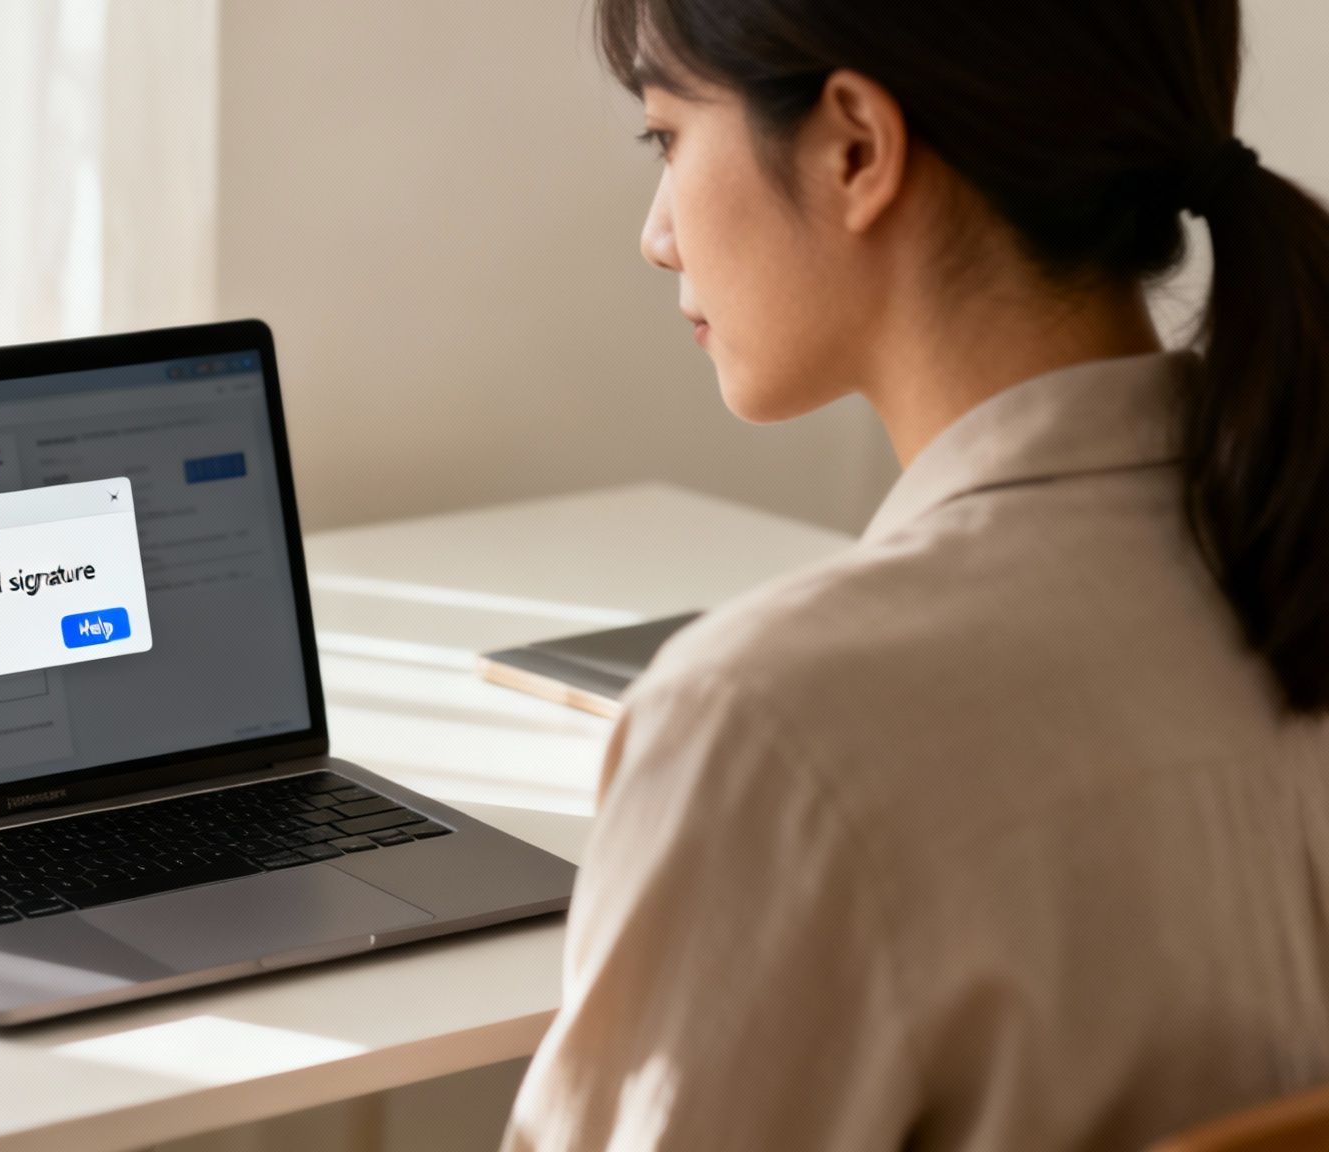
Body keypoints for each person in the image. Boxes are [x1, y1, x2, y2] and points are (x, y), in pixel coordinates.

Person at [502, 1, 1329, 1149]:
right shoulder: (1283, 552)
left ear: (852, 147)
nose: (657, 233)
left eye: (667, 138)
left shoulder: (766, 729)